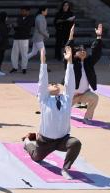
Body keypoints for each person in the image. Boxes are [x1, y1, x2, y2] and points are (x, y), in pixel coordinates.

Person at [23, 47, 81, 180]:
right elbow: (42, 81)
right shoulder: (44, 99)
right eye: (51, 84)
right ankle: (27, 142)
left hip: (63, 140)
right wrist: (43, 61)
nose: (54, 84)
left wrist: (70, 61)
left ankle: (65, 169)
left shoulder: (67, 98)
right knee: (36, 157)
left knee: (76, 143)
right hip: (45, 141)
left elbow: (70, 82)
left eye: (55, 83)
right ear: (45, 90)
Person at [66, 24, 103, 124]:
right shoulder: (71, 62)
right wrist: (70, 36)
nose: (83, 52)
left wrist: (98, 37)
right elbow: (68, 50)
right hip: (71, 95)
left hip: (84, 93)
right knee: (63, 113)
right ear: (74, 54)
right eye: (80, 51)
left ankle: (87, 117)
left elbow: (96, 53)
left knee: (95, 98)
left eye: (84, 50)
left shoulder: (89, 62)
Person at [10, 6, 34, 74]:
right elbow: (16, 28)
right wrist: (15, 26)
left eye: (23, 11)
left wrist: (17, 26)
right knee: (14, 53)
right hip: (17, 37)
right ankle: (15, 67)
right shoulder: (19, 17)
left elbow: (27, 27)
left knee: (24, 54)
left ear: (27, 11)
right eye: (21, 11)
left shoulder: (31, 18)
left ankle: (24, 68)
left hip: (24, 38)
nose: (21, 12)